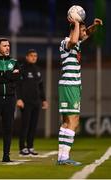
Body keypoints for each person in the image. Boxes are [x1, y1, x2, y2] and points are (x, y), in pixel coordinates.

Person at [57, 18, 103, 165]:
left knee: (66, 122)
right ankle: (64, 157)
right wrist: (77, 23)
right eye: (81, 30)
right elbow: (75, 39)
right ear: (74, 29)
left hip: (72, 86)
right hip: (70, 86)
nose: (84, 33)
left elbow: (84, 34)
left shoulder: (76, 43)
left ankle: (62, 157)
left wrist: (93, 26)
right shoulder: (67, 43)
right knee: (73, 121)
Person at [16, 49, 48, 156]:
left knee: (33, 126)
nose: (34, 57)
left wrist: (44, 100)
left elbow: (41, 86)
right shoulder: (22, 68)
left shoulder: (37, 70)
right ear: (27, 57)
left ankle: (30, 146)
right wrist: (19, 99)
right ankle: (22, 147)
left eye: (35, 56)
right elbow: (18, 86)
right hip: (25, 102)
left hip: (36, 102)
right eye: (31, 56)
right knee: (25, 125)